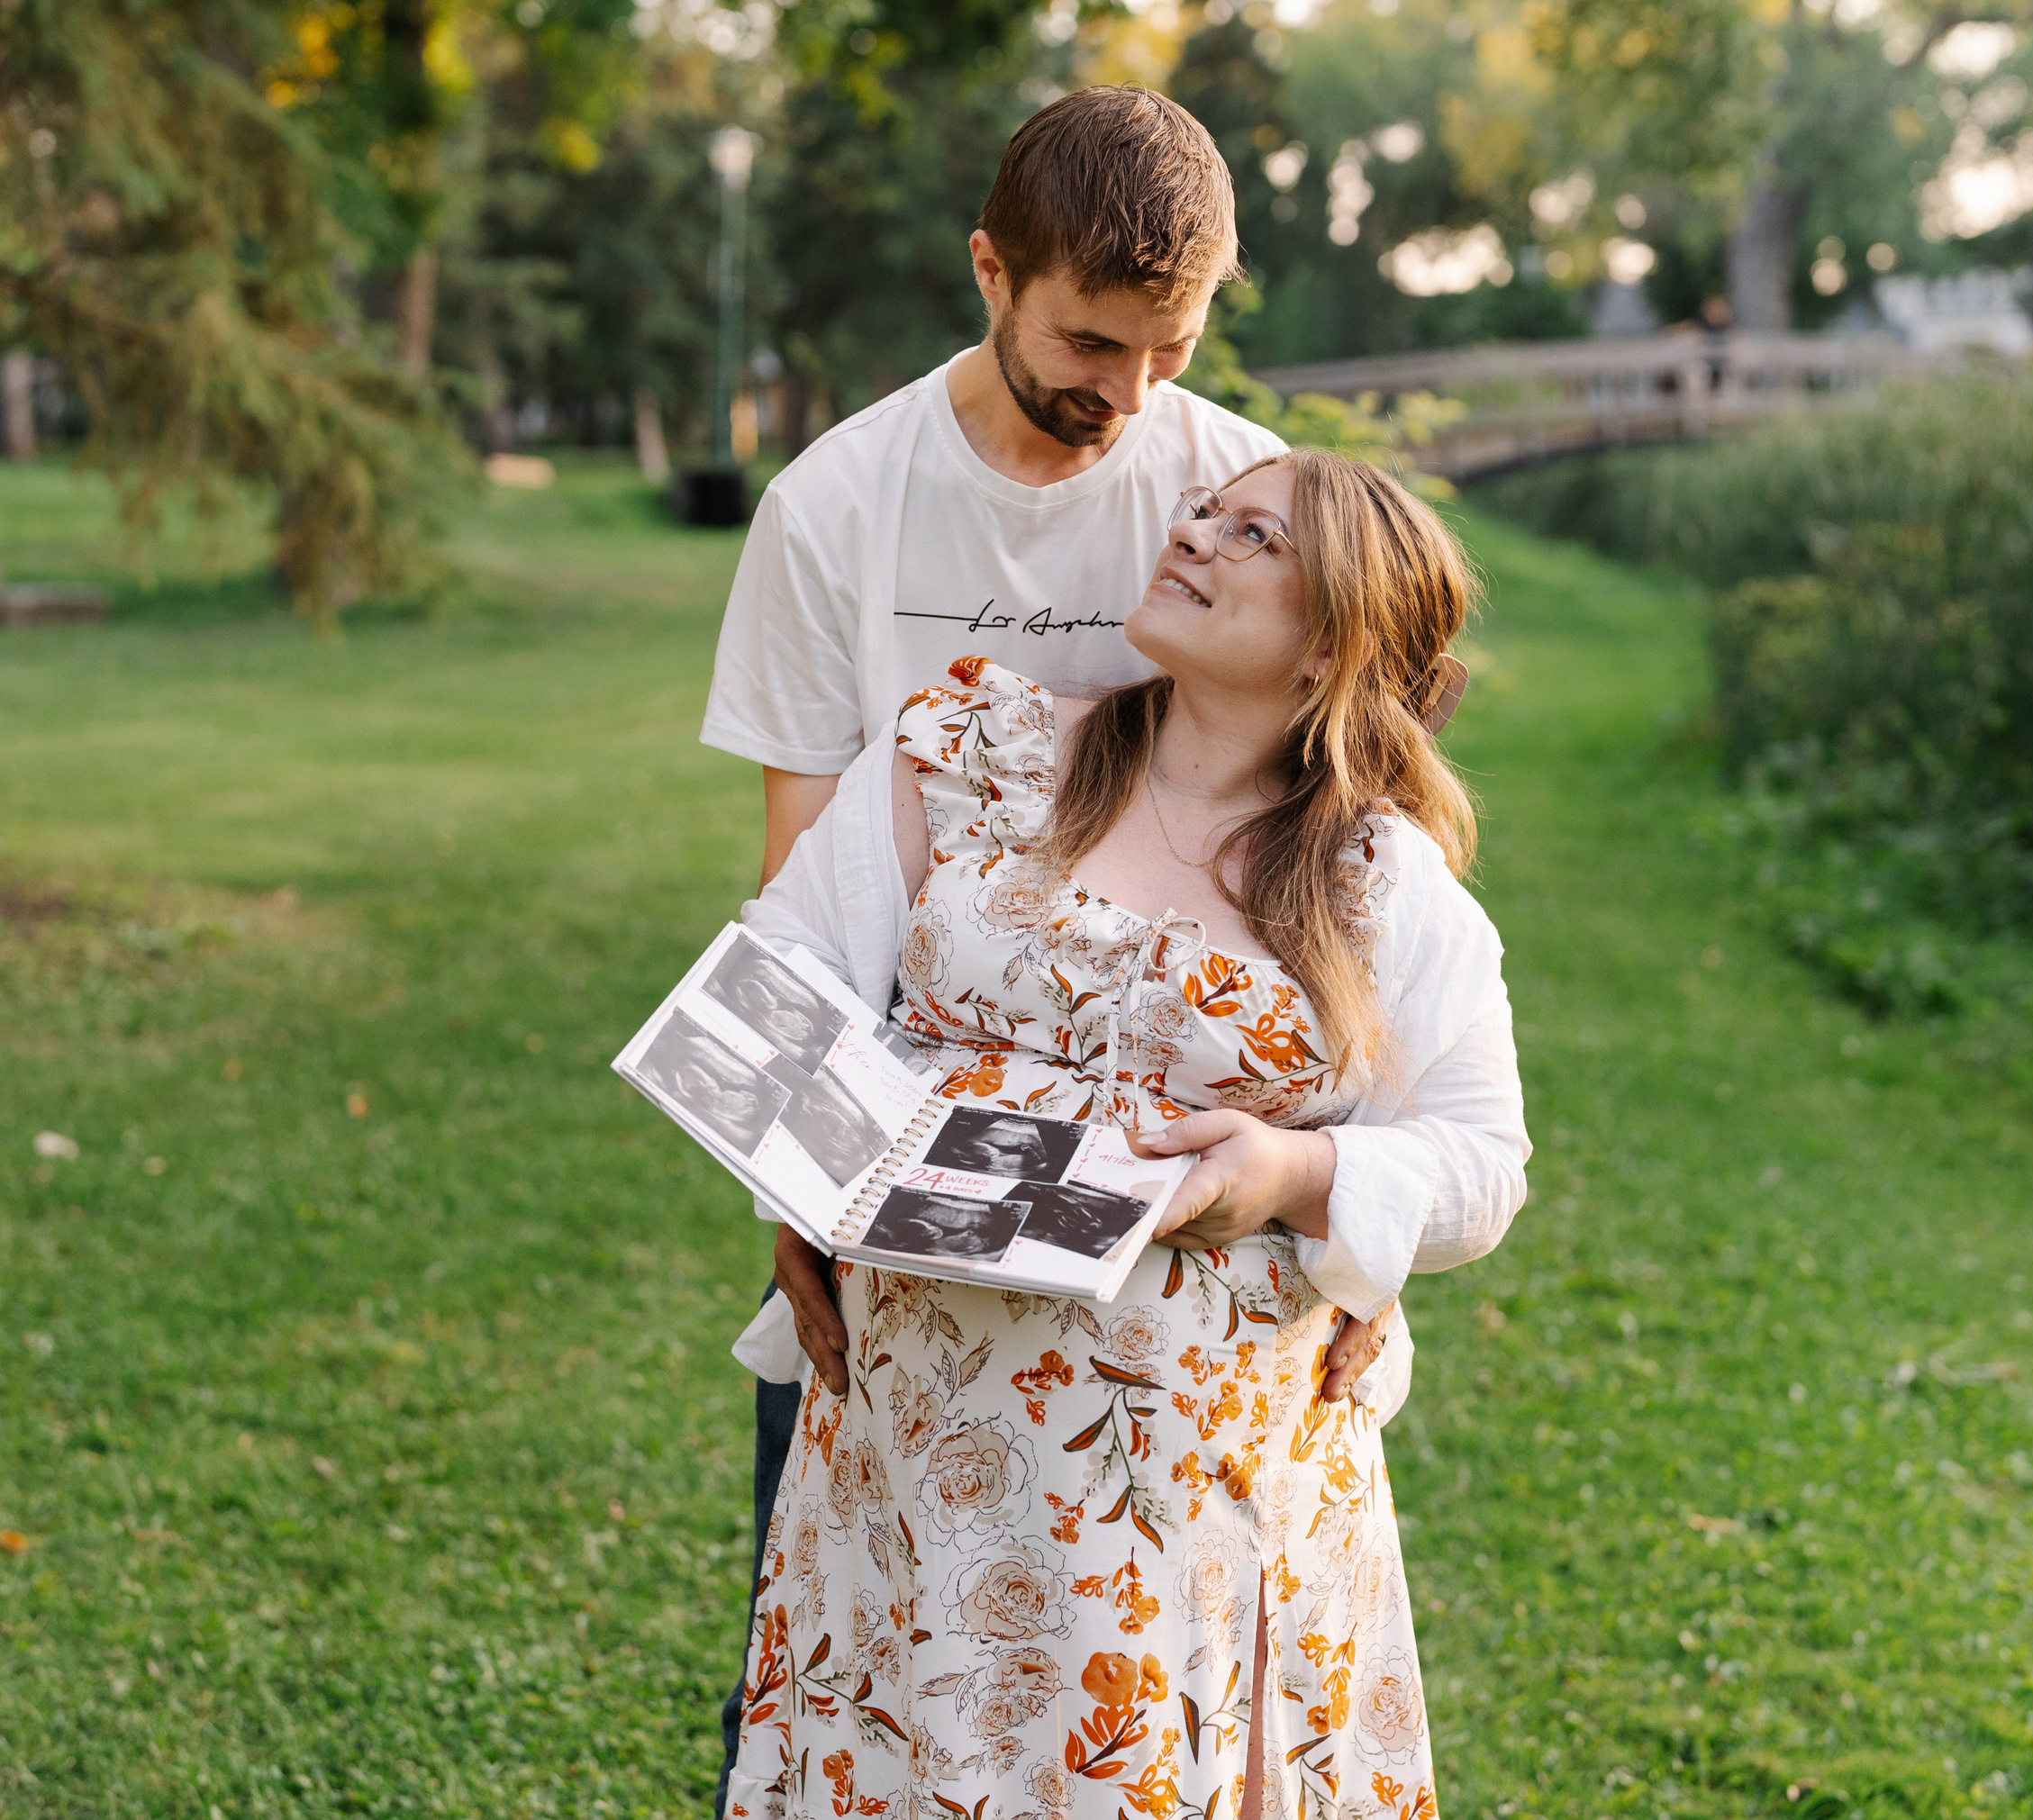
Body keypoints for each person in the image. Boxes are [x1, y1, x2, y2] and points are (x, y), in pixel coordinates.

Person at [697, 86, 1396, 1811]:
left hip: (1191, 1274)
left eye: (1172, 348)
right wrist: (799, 1192)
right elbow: (805, 897)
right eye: (1092, 340)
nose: (1132, 398)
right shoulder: (834, 511)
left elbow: (1340, 859)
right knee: (849, 1663)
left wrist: (1348, 1202)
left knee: (1167, 1713)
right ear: (991, 270)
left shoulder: (1235, 491)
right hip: (918, 1210)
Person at [724, 450, 1529, 1820]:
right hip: (922, 1458)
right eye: (1205, 509)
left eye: (1251, 532)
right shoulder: (973, 750)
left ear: (1331, 633)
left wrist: (1293, 1169)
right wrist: (798, 1192)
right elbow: (779, 987)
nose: (1196, 532)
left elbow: (1480, 1165)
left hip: (1191, 1500)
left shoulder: (1378, 883)